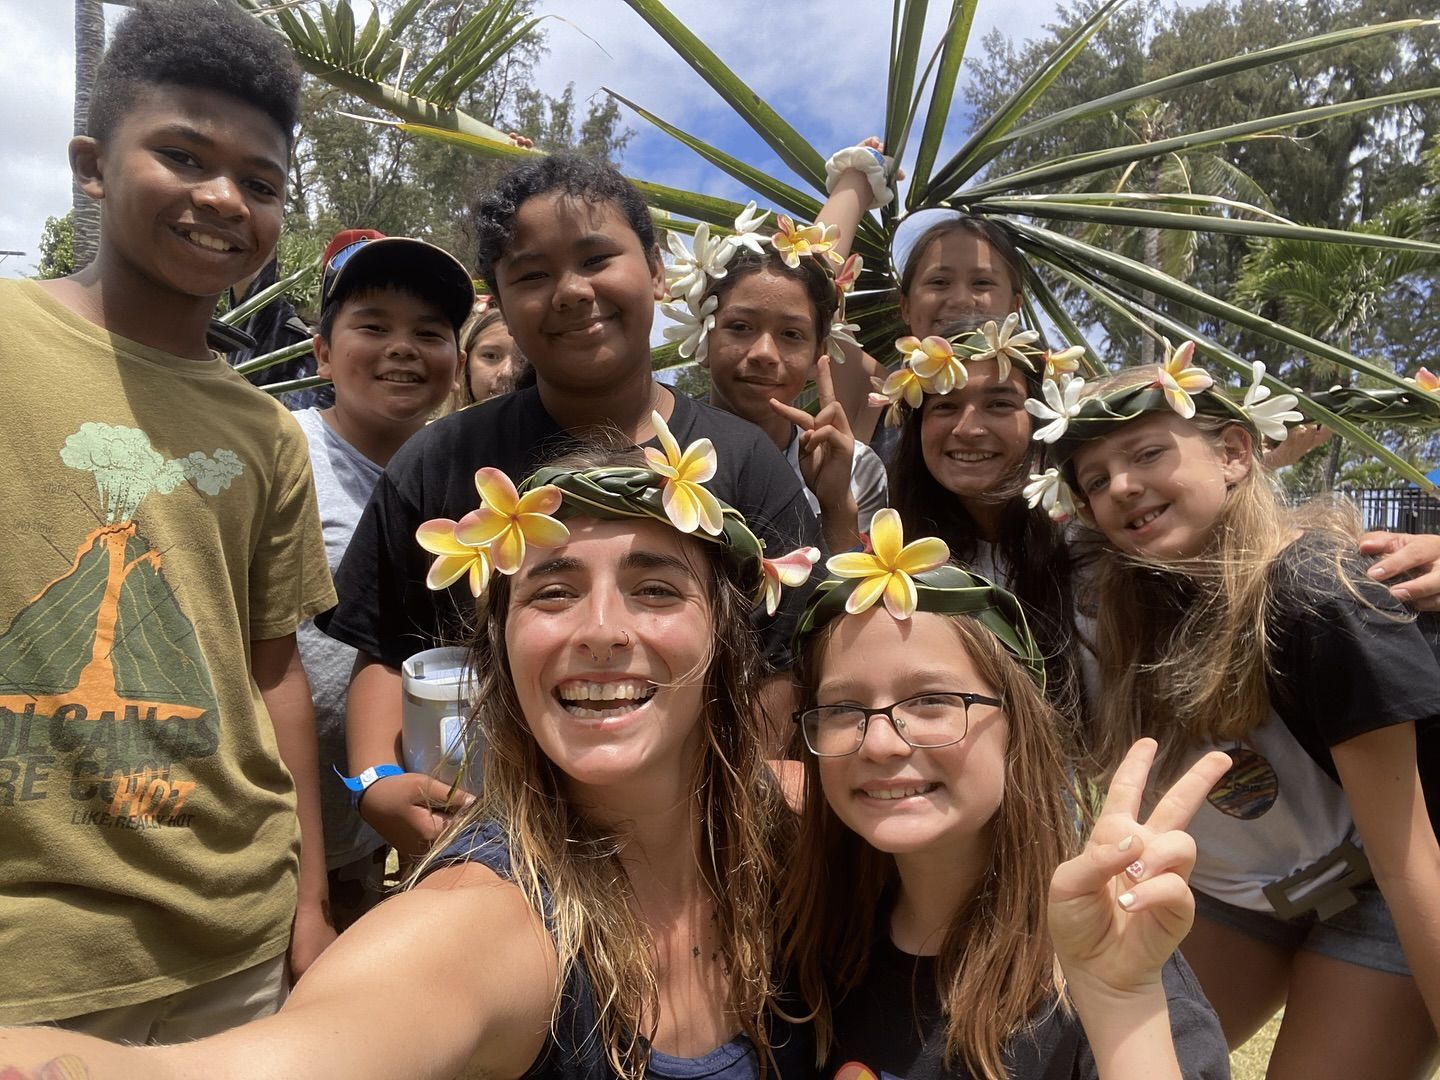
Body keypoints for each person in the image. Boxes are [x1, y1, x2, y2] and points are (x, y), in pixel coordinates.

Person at [0, 445, 817, 1079]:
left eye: (656, 590)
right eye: (553, 592)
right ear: (498, 649)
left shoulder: (806, 825)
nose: (600, 629)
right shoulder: (479, 923)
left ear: (729, 638)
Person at [320, 154, 823, 859]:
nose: (570, 291)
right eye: (531, 274)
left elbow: (774, 666)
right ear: (496, 297)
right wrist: (374, 782)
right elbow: (384, 645)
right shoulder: (441, 460)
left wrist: (734, 796)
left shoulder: (741, 464)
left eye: (596, 258)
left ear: (654, 270)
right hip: (488, 838)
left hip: (693, 839)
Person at [0, 0, 336, 1038]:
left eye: (261, 181)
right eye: (183, 156)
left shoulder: (268, 431)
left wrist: (311, 905)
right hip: (32, 953)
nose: (223, 198)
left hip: (230, 936)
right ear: (93, 166)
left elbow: (273, 669)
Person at [1053, 357, 1440, 1076]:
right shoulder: (1127, 595)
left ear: (1234, 453)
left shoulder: (1320, 596)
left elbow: (1408, 861)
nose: (1123, 486)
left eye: (1145, 453)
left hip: (1384, 887)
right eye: (1097, 480)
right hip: (1237, 896)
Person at [782, 516, 1231, 1078]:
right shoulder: (806, 945)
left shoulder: (1112, 965)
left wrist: (1121, 1002)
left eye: (931, 701)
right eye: (843, 710)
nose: (878, 743)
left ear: (1019, 724)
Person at [295, 229, 473, 929]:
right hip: (270, 825)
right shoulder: (284, 457)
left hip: (376, 823)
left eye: (429, 333)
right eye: (373, 326)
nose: (402, 347)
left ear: (455, 365)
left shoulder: (463, 482)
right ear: (322, 352)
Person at [696, 245, 887, 552]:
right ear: (703, 335)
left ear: (818, 356)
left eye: (791, 334)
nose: (764, 354)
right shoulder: (663, 451)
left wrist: (837, 505)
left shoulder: (856, 469)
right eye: (741, 327)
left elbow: (852, 596)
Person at [443, 303, 526, 413]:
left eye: (523, 360)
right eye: (491, 356)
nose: (507, 372)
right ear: (464, 364)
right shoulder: (435, 429)